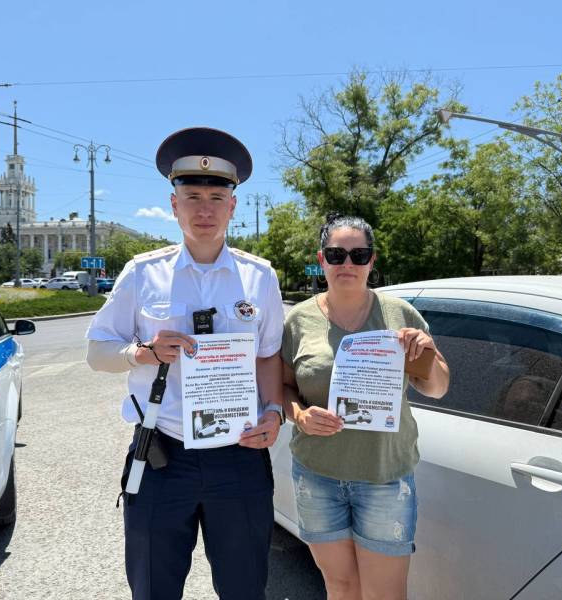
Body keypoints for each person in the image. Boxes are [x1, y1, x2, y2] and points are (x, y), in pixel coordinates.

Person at [85, 127, 285, 600]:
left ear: (232, 206)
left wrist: (274, 412)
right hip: (162, 455)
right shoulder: (142, 273)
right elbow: (96, 352)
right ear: (173, 205)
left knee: (244, 587)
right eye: (191, 195)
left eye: (217, 196)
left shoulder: (259, 278)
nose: (204, 209)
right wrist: (143, 352)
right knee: (154, 588)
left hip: (239, 455)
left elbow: (269, 353)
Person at [281, 214, 450, 600]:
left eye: (359, 255)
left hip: (383, 477)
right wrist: (300, 415)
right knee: (339, 587)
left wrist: (423, 353)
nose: (347, 264)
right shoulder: (298, 319)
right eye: (336, 254)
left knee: (385, 594)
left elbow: (438, 387)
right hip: (316, 475)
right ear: (321, 259)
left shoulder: (400, 314)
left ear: (372, 261)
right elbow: (284, 386)